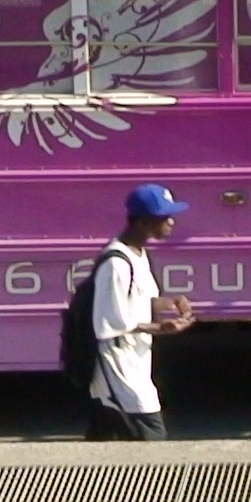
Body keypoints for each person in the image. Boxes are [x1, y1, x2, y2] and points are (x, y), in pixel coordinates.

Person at [87, 184, 197, 441]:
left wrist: (170, 303)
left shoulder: (138, 254)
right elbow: (109, 323)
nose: (171, 222)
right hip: (118, 365)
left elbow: (137, 301)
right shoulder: (116, 264)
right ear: (143, 222)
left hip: (135, 360)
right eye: (164, 217)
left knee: (111, 446)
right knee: (151, 437)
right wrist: (162, 328)